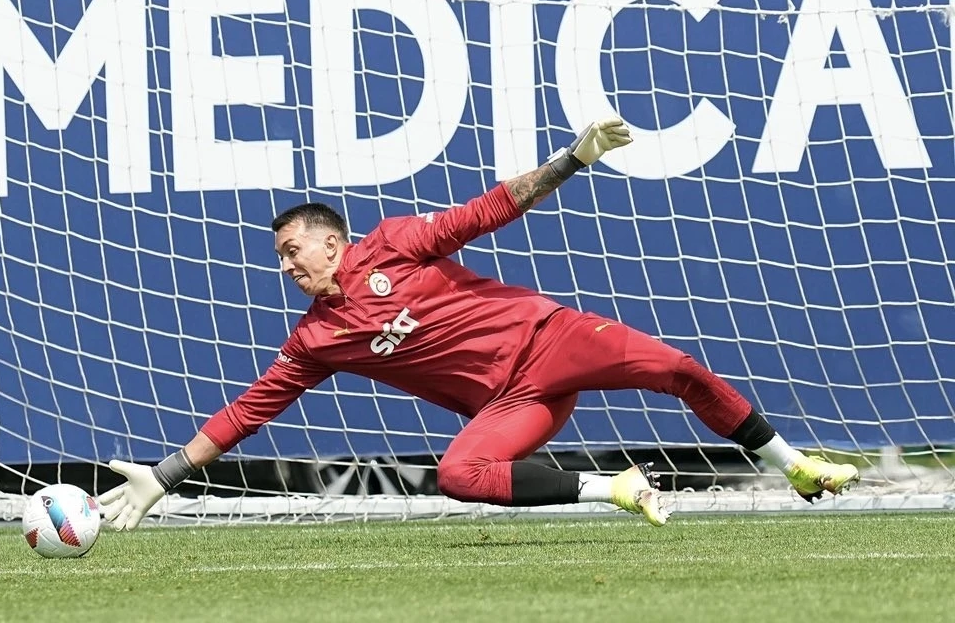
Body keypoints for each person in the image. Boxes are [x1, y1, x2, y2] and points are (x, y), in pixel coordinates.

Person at [99, 117, 859, 530]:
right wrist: (163, 479)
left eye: (293, 251)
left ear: (333, 242)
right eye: (281, 259)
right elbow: (246, 412)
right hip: (511, 403)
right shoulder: (315, 340)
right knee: (460, 474)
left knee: (679, 368)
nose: (287, 266)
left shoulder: (394, 241)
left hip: (549, 340)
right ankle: (615, 490)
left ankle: (796, 465)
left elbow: (489, 209)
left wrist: (572, 160)